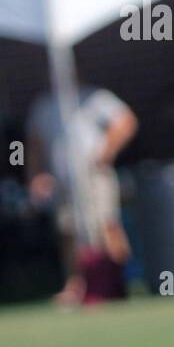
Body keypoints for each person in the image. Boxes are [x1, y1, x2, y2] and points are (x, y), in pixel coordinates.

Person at [26, 84, 137, 305]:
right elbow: (35, 144)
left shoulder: (94, 97)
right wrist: (37, 175)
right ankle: (78, 285)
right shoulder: (43, 106)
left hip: (94, 175)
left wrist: (106, 151)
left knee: (106, 225)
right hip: (63, 180)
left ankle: (118, 281)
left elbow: (126, 121)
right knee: (69, 231)